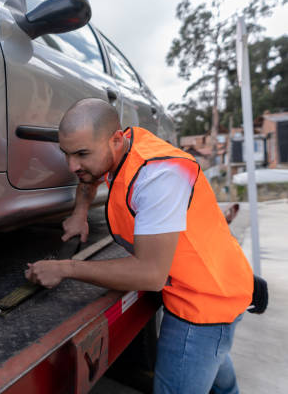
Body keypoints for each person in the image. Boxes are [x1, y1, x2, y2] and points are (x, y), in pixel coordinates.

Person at [25, 98, 253, 394]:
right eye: (66, 154)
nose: (72, 166)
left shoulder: (159, 176)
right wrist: (80, 213)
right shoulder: (119, 148)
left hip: (203, 302)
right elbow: (89, 176)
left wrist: (65, 268)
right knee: (221, 378)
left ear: (116, 140)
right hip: (217, 281)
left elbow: (150, 274)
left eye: (81, 154)